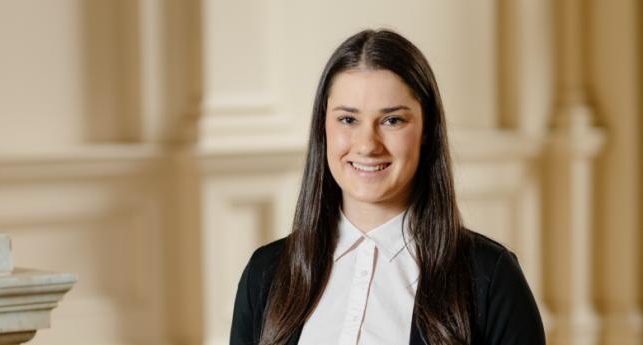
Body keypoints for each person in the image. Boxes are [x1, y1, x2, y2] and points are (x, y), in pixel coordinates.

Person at [230, 29, 545, 345]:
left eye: (392, 120)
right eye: (348, 120)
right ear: (323, 128)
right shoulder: (265, 274)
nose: (367, 145)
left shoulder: (491, 277)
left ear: (426, 130)